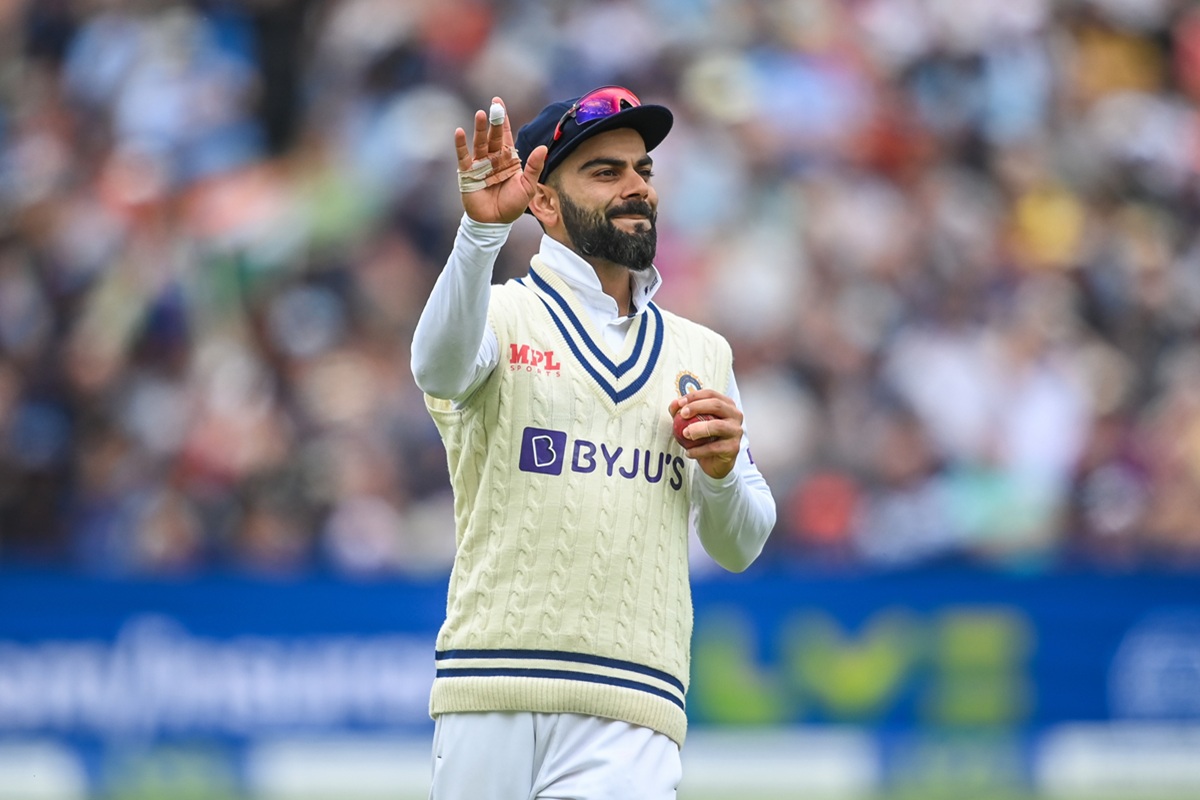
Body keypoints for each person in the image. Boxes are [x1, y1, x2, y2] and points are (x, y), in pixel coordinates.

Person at [410, 86, 777, 800]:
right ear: (544, 203)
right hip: (490, 687)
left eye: (643, 170)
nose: (636, 186)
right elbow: (437, 367)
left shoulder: (701, 352)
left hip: (631, 706)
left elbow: (741, 544)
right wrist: (479, 235)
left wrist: (728, 473)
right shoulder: (502, 315)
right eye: (604, 173)